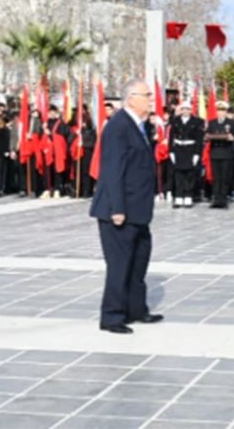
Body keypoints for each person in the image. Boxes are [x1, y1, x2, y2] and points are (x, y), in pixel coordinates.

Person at [90, 79, 162, 334]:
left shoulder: (139, 126)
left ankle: (136, 308)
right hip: (119, 210)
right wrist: (117, 208)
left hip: (138, 209)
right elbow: (112, 171)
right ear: (131, 98)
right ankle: (111, 316)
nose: (151, 100)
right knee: (120, 264)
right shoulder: (118, 127)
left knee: (139, 261)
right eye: (147, 95)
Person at [205, 102, 234, 209]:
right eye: (219, 110)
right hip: (215, 152)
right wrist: (207, 137)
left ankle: (223, 199)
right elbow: (206, 135)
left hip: (226, 152)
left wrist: (231, 138)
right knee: (216, 178)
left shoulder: (231, 123)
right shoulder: (212, 123)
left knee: (225, 177)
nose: (221, 113)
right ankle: (216, 199)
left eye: (223, 110)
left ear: (226, 112)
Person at [169, 102, 203, 207]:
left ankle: (188, 196)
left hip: (190, 150)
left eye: (187, 109)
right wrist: (171, 151)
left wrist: (197, 153)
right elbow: (171, 138)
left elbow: (199, 139)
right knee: (178, 174)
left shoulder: (196, 122)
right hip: (179, 149)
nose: (185, 111)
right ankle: (179, 197)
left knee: (190, 175)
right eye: (183, 109)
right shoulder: (175, 121)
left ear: (190, 110)